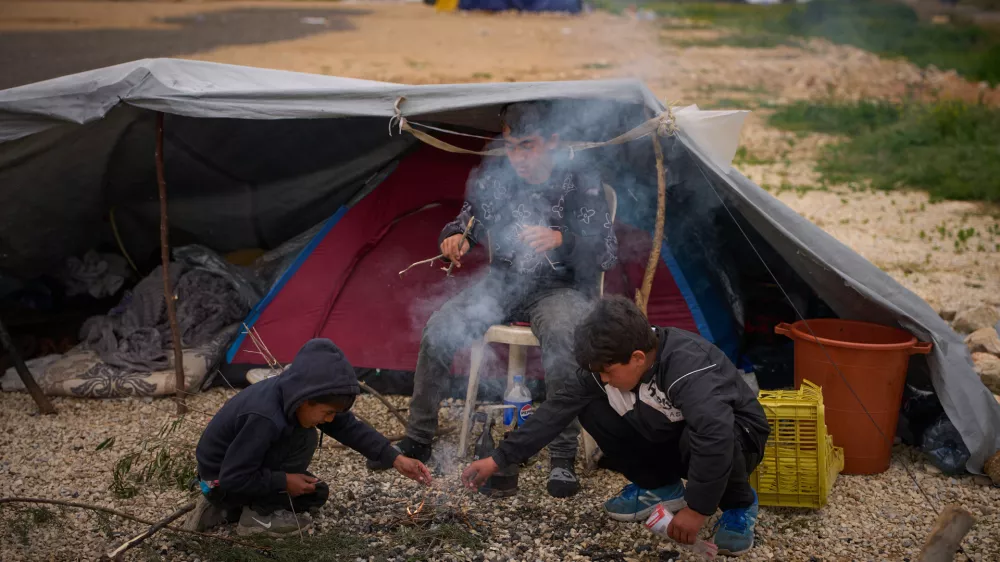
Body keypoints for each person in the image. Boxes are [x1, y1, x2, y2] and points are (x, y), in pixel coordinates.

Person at [367, 101, 619, 498]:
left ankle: (562, 456)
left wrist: (563, 239)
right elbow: (466, 220)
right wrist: (455, 238)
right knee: (439, 329)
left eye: (528, 146)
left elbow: (606, 251)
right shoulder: (496, 179)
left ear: (552, 141)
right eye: (511, 147)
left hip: (562, 288)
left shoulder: (581, 180)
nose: (518, 157)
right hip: (503, 284)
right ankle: (418, 438)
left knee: (562, 340)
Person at [461, 296, 770, 556]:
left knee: (705, 432)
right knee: (588, 406)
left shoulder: (686, 366)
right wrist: (499, 458)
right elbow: (556, 409)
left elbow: (714, 435)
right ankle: (661, 486)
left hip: (738, 438)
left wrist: (697, 509)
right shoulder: (611, 362)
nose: (603, 379)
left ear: (637, 357)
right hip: (675, 433)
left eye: (608, 372)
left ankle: (739, 504)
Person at [186, 339, 431, 536]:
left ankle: (226, 511)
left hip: (234, 475)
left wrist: (395, 458)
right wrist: (283, 481)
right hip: (222, 481)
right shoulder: (265, 418)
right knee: (304, 438)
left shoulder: (294, 395)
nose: (329, 420)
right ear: (306, 400)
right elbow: (233, 477)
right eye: (327, 413)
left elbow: (349, 427)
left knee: (315, 493)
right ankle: (257, 517)